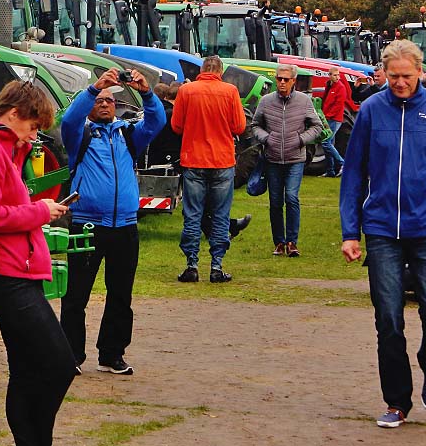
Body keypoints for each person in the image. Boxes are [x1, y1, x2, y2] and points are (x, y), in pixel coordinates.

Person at [341, 40, 426, 428]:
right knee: (388, 319)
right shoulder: (370, 112)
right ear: (384, 74)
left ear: (420, 73)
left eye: (406, 77)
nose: (399, 83)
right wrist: (351, 231)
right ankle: (397, 402)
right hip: (381, 229)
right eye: (393, 76)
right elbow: (352, 175)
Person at [0, 80, 74, 445]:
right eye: (33, 125)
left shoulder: (5, 151)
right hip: (7, 275)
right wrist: (39, 210)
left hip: (16, 270)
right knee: (58, 365)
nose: (34, 133)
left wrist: (34, 209)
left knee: (25, 369)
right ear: (12, 114)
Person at [59, 67, 165, 376]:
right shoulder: (80, 135)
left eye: (110, 100)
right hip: (88, 224)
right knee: (77, 293)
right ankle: (70, 354)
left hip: (125, 227)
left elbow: (158, 121)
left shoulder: (128, 133)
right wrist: (94, 88)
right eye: (99, 101)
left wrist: (147, 92)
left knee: (121, 294)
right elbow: (68, 120)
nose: (105, 104)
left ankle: (112, 354)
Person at [170, 55, 246, 283]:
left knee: (192, 214)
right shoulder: (230, 91)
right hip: (222, 160)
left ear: (201, 70)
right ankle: (217, 266)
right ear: (220, 71)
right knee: (221, 215)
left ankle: (191, 265)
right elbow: (239, 126)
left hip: (193, 158)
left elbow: (176, 125)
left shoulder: (187, 91)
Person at [251, 64, 324, 257]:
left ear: (293, 81)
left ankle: (292, 241)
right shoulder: (266, 101)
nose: (282, 82)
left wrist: (301, 139)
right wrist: (266, 138)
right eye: (279, 79)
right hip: (273, 159)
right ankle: (279, 242)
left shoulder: (304, 101)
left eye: (285, 79)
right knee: (275, 202)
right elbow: (255, 125)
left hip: (295, 159)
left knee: (291, 197)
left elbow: (317, 127)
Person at [319, 65, 351, 177]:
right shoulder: (329, 86)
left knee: (326, 142)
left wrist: (328, 115)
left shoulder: (340, 87)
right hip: (328, 118)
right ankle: (330, 170)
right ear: (330, 76)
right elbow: (326, 101)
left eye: (338, 75)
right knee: (328, 144)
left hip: (334, 119)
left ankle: (343, 163)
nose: (337, 77)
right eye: (335, 75)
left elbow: (338, 105)